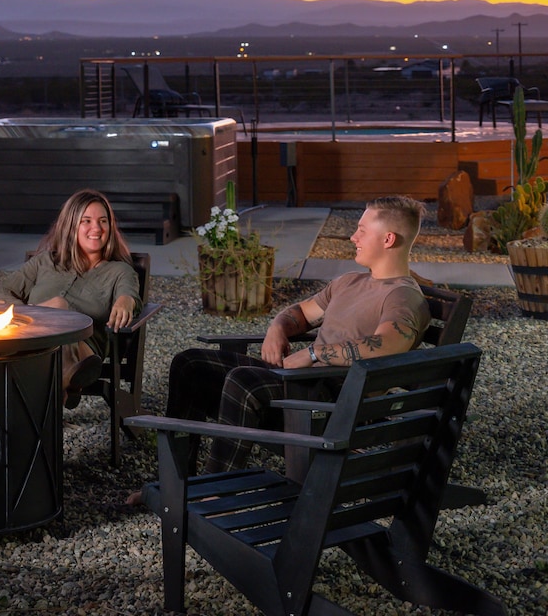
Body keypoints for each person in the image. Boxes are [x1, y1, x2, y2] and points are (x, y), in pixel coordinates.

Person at [137, 195, 431, 492]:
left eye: (362, 230)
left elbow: (388, 345)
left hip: (329, 402)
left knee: (243, 380)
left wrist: (315, 354)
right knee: (190, 364)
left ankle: (212, 491)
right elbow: (302, 313)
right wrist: (277, 328)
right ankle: (175, 484)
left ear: (388, 239)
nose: (353, 236)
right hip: (298, 382)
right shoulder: (350, 281)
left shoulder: (402, 296)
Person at [0, 188, 141, 409]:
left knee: (59, 310)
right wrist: (34, 312)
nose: (97, 228)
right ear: (70, 225)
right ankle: (68, 382)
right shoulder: (45, 262)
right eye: (86, 221)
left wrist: (126, 301)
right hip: (30, 340)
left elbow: (129, 292)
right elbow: (1, 293)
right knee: (57, 306)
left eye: (103, 221)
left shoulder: (119, 271)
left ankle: (64, 379)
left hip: (84, 345)